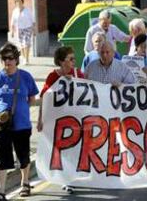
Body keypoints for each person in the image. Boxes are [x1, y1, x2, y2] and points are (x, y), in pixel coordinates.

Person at [0, 42, 39, 200]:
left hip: (22, 125)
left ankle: (25, 183)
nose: (7, 61)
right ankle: (1, 192)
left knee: (23, 156)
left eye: (10, 58)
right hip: (1, 126)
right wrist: (0, 113)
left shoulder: (25, 77)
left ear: (16, 59)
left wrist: (21, 110)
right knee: (1, 159)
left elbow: (32, 98)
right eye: (4, 58)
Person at [37, 46, 83, 194]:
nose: (74, 61)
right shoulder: (52, 76)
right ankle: (66, 179)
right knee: (61, 151)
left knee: (72, 150)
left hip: (75, 120)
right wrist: (39, 119)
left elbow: (89, 91)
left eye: (73, 58)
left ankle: (70, 179)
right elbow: (44, 97)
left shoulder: (78, 73)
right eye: (71, 59)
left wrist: (74, 81)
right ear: (62, 62)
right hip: (57, 121)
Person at [10, 0, 35, 65]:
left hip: (27, 28)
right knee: (21, 44)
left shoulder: (27, 10)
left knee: (26, 43)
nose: (19, 3)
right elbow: (12, 22)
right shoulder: (15, 11)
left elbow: (33, 20)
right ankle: (23, 57)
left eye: (20, 2)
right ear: (16, 3)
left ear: (22, 2)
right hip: (19, 29)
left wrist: (34, 30)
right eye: (17, 2)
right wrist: (12, 31)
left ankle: (27, 59)